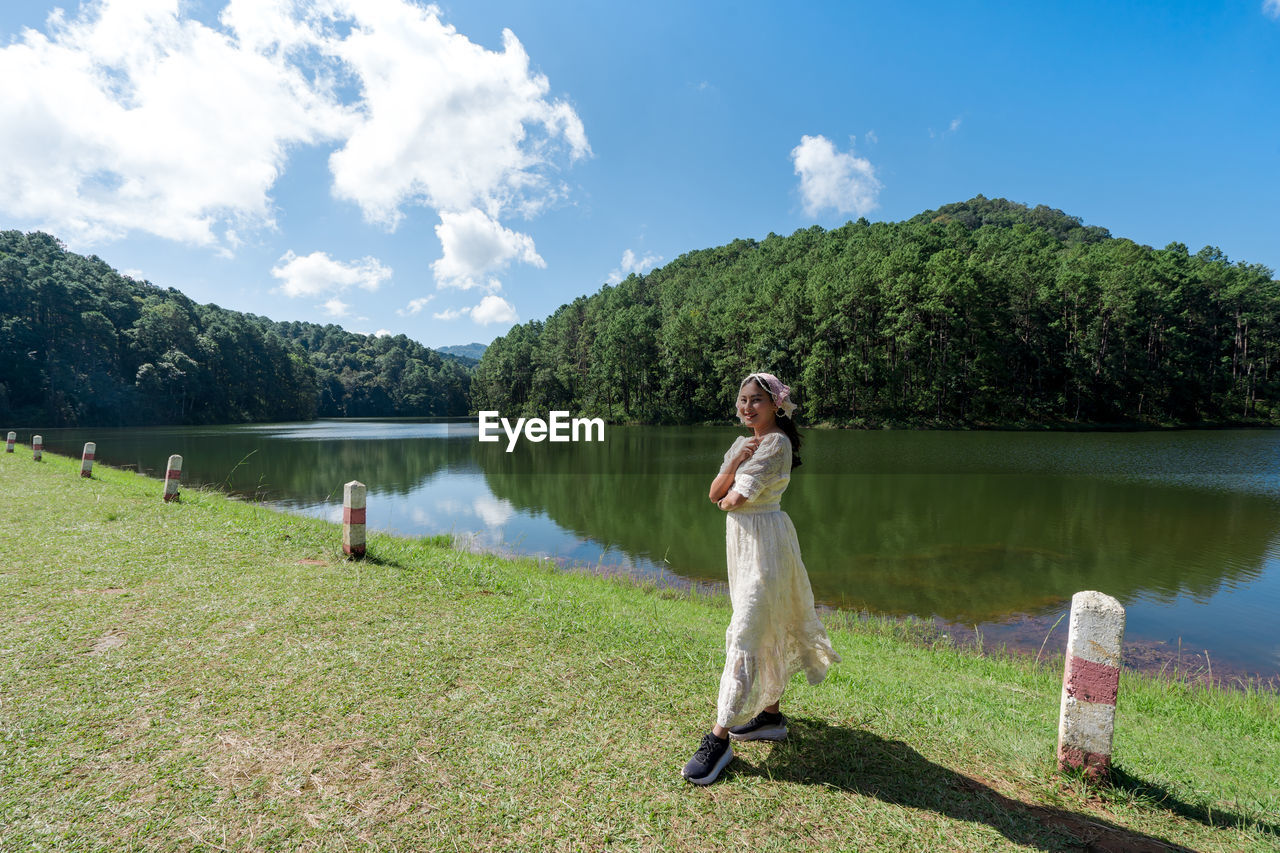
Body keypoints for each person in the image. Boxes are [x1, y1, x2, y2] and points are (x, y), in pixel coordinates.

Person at [682, 372, 842, 786]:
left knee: (747, 632)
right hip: (744, 543)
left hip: (765, 543)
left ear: (775, 406)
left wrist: (730, 480)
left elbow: (732, 499)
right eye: (742, 400)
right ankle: (770, 717)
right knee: (761, 623)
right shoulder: (743, 443)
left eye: (756, 400)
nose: (747, 407)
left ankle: (719, 739)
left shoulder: (776, 443)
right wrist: (734, 461)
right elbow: (713, 493)